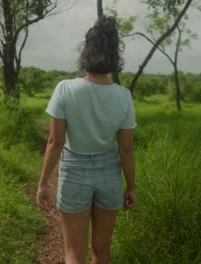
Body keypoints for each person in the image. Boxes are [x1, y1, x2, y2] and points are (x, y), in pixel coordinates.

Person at [36, 16, 136, 264]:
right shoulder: (123, 96)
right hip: (109, 176)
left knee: (73, 253)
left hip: (74, 174)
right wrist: (131, 186)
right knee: (102, 251)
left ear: (86, 53)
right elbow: (126, 149)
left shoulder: (65, 89)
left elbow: (55, 142)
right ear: (114, 56)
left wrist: (43, 183)